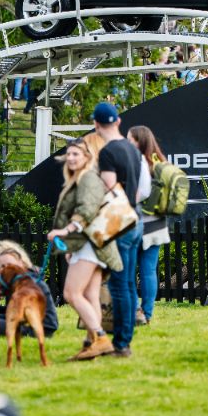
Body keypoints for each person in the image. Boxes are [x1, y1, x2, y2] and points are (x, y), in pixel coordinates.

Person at [49, 137, 121, 360]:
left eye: (76, 154)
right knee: (90, 295)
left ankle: (100, 338)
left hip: (90, 244)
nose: (71, 158)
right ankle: (92, 342)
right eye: (69, 154)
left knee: (71, 293)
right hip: (89, 244)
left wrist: (66, 230)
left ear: (87, 157)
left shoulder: (88, 178)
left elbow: (87, 210)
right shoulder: (79, 178)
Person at [92, 102, 144, 358]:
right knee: (130, 286)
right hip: (136, 217)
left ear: (95, 125)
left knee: (119, 285)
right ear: (118, 122)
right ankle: (126, 336)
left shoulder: (108, 152)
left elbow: (110, 189)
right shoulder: (133, 150)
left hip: (120, 221)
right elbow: (135, 190)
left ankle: (122, 343)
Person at [128, 125, 183, 326]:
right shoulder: (161, 162)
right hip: (158, 224)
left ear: (138, 141)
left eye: (130, 139)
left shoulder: (137, 162)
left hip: (137, 222)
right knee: (149, 271)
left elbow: (139, 193)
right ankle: (148, 312)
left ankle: (135, 311)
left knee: (129, 270)